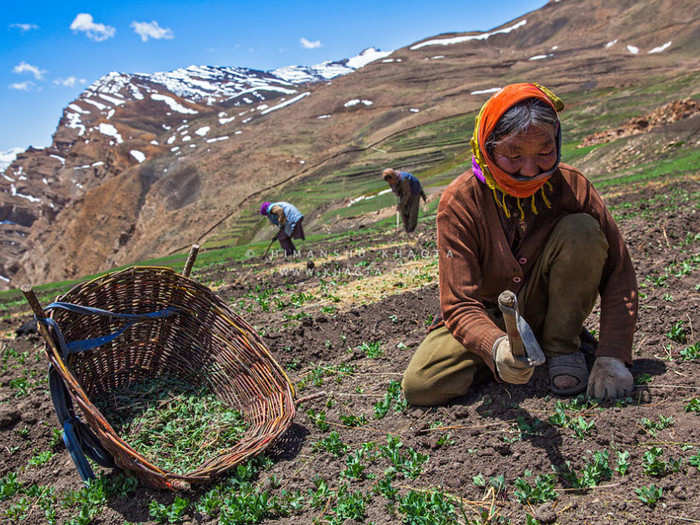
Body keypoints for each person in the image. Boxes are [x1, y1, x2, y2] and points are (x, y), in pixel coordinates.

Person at [402, 83, 638, 406]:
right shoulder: (460, 202)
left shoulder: (573, 187)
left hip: (547, 303)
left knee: (582, 230)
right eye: (513, 155)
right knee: (423, 384)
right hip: (487, 315)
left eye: (544, 153)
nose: (530, 169)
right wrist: (496, 346)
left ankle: (562, 346)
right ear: (487, 147)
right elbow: (458, 304)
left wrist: (613, 355)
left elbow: (619, 274)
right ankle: (514, 353)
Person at [382, 168, 427, 233]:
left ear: (392, 177)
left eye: (390, 180)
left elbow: (407, 194)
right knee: (403, 211)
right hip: (403, 192)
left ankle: (411, 230)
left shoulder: (404, 179)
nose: (389, 182)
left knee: (412, 211)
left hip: (414, 191)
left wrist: (401, 204)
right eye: (388, 181)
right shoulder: (390, 180)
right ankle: (406, 228)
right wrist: (396, 193)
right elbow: (395, 190)